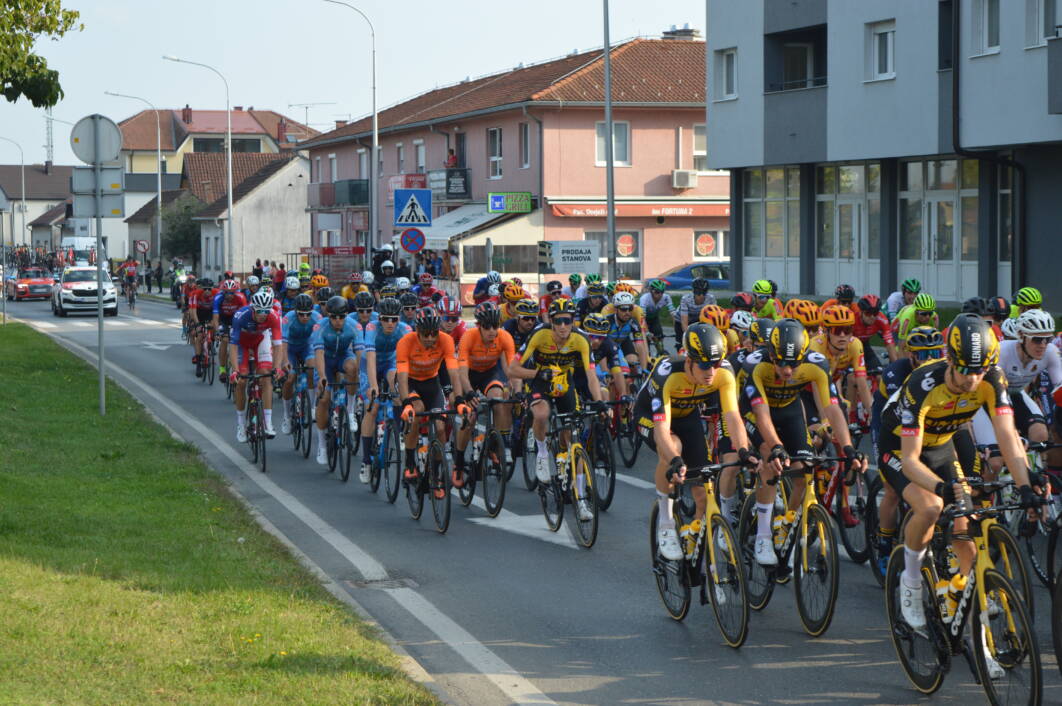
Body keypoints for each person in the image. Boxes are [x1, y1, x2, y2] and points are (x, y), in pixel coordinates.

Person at [878, 314, 1042, 632]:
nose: (972, 379)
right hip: (898, 447)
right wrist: (939, 488)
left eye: (980, 370)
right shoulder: (923, 384)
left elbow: (1007, 436)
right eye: (965, 369)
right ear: (950, 360)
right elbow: (910, 461)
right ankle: (910, 581)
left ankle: (967, 593)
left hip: (941, 443)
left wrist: (1025, 485)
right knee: (931, 506)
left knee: (964, 518)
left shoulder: (992, 378)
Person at [739, 318, 866, 566]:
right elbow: (762, 415)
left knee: (805, 470)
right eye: (781, 362)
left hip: (789, 410)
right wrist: (776, 447)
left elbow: (833, 408)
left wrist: (848, 447)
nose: (788, 370)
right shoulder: (757, 364)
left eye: (794, 364)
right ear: (771, 354)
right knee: (770, 458)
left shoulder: (816, 363)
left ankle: (787, 524)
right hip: (756, 412)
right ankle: (763, 536)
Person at [635, 324, 756, 559]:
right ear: (689, 360)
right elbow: (662, 429)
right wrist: (675, 459)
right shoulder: (668, 372)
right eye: (704, 365)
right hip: (650, 416)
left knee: (702, 493)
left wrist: (743, 450)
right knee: (673, 447)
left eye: (716, 364)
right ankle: (666, 524)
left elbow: (732, 416)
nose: (711, 371)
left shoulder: (724, 373)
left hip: (687, 416)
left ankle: (693, 541)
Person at [509, 298, 604, 521]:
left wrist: (599, 401)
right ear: (551, 321)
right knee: (542, 414)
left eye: (567, 321)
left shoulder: (581, 339)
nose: (563, 326)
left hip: (565, 384)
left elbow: (591, 376)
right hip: (540, 380)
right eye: (558, 321)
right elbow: (512, 369)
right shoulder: (539, 334)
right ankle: (542, 453)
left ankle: (581, 498)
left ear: (573, 321)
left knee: (573, 440)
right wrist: (537, 374)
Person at [970, 309, 1061, 480]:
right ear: (1021, 336)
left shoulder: (1050, 352)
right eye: (1037, 339)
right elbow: (998, 398)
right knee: (995, 462)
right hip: (983, 398)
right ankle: (984, 493)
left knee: (1040, 436)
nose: (1043, 345)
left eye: (1047, 339)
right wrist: (1013, 436)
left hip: (1014, 393)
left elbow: (1060, 386)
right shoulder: (1002, 352)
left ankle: (1034, 481)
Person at [397, 307, 465, 485]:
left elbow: (453, 372)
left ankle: (435, 475)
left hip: (431, 383)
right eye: (425, 334)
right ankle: (410, 462)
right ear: (417, 330)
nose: (430, 338)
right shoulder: (405, 342)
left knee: (440, 428)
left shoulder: (446, 340)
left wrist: (459, 399)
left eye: (433, 333)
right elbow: (402, 377)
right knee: (417, 410)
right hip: (410, 382)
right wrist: (406, 403)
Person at [453, 301, 519, 484]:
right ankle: (459, 462)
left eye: (495, 326)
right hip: (468, 375)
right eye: (487, 326)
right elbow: (462, 373)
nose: (491, 330)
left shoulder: (504, 337)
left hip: (488, 374)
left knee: (499, 399)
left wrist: (518, 391)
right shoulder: (469, 337)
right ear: (479, 325)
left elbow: (511, 370)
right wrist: (469, 392)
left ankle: (497, 444)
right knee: (469, 417)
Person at [358, 297, 412, 483]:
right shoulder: (372, 328)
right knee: (372, 408)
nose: (390, 323)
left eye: (394, 319)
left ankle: (398, 430)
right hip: (370, 364)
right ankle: (366, 460)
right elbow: (371, 358)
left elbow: (406, 363)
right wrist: (373, 386)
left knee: (397, 389)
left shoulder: (405, 330)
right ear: (379, 318)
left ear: (399, 319)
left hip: (390, 363)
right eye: (385, 319)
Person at [310, 296, 364, 465]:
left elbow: (360, 353)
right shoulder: (320, 327)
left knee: (353, 368)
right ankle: (322, 446)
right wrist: (322, 376)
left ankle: (350, 410)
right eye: (334, 317)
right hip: (325, 361)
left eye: (341, 317)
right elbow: (318, 353)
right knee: (324, 399)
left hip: (343, 357)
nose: (338, 320)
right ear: (329, 315)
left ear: (346, 315)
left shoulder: (354, 326)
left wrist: (361, 376)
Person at [229, 289, 283, 441]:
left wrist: (277, 368)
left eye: (266, 311)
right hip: (242, 343)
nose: (263, 314)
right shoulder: (241, 316)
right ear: (253, 308)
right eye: (260, 311)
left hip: (260, 340)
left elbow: (278, 345)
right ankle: (241, 425)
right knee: (241, 381)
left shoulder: (274, 316)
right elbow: (233, 346)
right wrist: (235, 370)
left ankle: (268, 423)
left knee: (266, 376)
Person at [279, 293, 323, 435]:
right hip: (290, 349)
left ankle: (312, 406)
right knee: (290, 378)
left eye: (308, 314)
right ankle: (286, 416)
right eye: (301, 314)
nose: (305, 317)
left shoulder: (317, 318)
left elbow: (319, 342)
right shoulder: (288, 318)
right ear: (295, 312)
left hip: (306, 347)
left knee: (311, 368)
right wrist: (285, 361)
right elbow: (283, 342)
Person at [854, 294, 899, 368]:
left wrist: (896, 367)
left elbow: (890, 344)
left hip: (865, 344)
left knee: (878, 371)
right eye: (868, 313)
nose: (872, 317)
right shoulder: (853, 318)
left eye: (875, 313)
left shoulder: (881, 319)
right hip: (850, 345)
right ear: (861, 312)